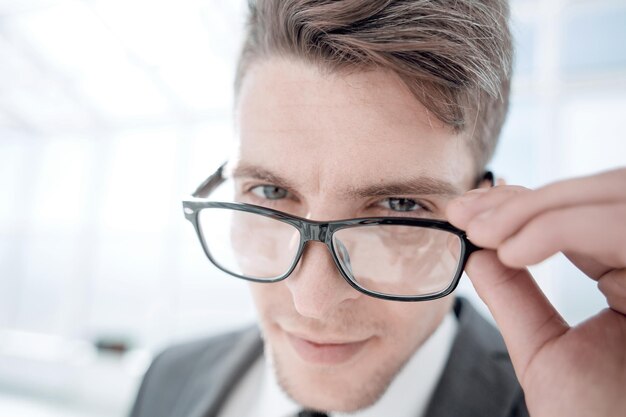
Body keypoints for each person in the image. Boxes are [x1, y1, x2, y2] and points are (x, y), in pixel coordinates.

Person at [129, 1, 626, 416]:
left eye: (398, 207)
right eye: (271, 193)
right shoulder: (167, 379)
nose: (313, 301)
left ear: (485, 208)